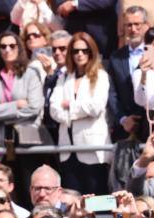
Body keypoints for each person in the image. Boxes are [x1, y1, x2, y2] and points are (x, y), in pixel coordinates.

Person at [0, 32, 47, 205]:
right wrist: (16, 105)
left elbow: (35, 107)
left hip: (28, 136)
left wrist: (2, 109)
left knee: (29, 183)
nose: (7, 49)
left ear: (19, 48)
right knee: (10, 187)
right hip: (4, 137)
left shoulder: (30, 73)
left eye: (12, 45)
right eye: (3, 46)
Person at [45, 33, 109, 195]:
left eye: (84, 50)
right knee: (72, 198)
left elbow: (96, 107)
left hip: (92, 147)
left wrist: (69, 106)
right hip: (68, 148)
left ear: (91, 52)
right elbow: (54, 108)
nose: (80, 54)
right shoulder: (65, 77)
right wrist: (76, 111)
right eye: (75, 51)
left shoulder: (100, 75)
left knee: (96, 200)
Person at [106, 6, 149, 141]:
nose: (133, 29)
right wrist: (123, 119)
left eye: (137, 24)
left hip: (152, 123)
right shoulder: (115, 57)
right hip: (125, 127)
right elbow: (112, 93)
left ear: (146, 26)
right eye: (129, 25)